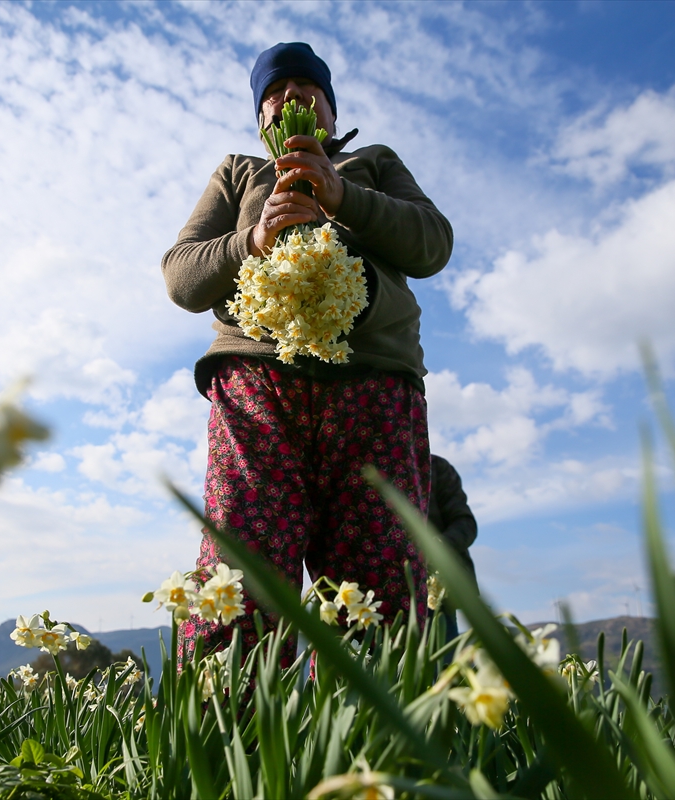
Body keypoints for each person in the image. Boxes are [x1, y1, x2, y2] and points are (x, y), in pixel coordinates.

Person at [162, 42, 453, 664]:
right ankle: (225, 743)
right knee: (240, 567)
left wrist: (342, 195)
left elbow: (433, 244)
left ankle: (376, 749)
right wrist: (254, 237)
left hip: (372, 383)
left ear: (329, 107)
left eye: (305, 89)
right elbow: (181, 278)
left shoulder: (372, 162)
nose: (289, 98)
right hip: (257, 385)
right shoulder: (239, 173)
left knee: (380, 578)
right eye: (274, 93)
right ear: (260, 117)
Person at [426, 454, 479, 640]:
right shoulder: (370, 465)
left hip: (436, 592)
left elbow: (465, 524)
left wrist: (437, 547)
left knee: (442, 665)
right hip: (383, 592)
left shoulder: (435, 466)